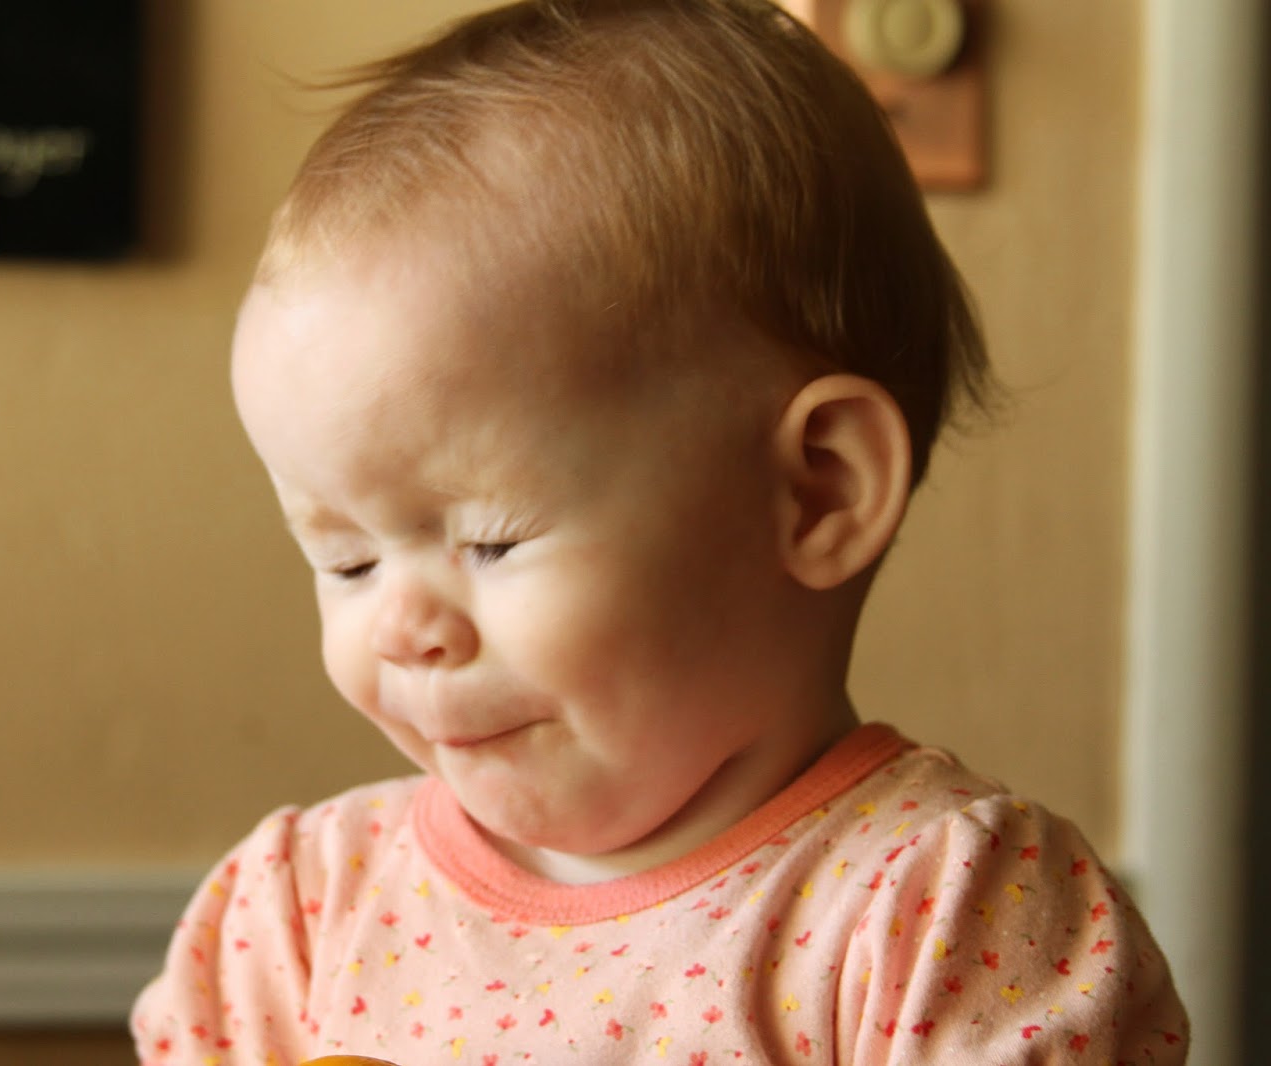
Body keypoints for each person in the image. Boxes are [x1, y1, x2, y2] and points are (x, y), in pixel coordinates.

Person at [130, 1, 1188, 1062]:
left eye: (491, 541)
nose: (403, 629)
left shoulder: (941, 914)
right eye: (348, 560)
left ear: (819, 492)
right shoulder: (299, 914)